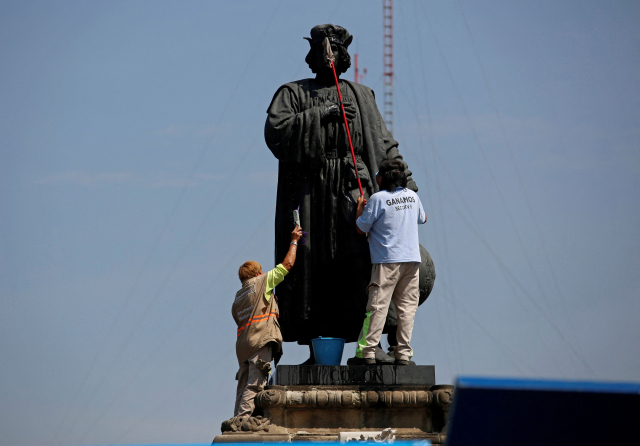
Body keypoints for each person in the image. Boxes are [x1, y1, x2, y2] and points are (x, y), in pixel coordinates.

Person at [265, 24, 418, 362]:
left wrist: (402, 185)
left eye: (333, 50)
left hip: (353, 192)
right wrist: (323, 114)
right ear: (312, 55)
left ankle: (371, 343)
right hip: (310, 194)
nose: (327, 56)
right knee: (312, 266)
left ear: (343, 56)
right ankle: (317, 348)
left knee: (361, 263)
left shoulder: (361, 95)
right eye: (321, 50)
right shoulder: (291, 93)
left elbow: (381, 141)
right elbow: (277, 132)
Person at [350, 159, 427, 365]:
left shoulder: (377, 199)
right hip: (411, 260)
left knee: (377, 306)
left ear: (382, 178)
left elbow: (361, 228)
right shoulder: (412, 196)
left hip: (387, 261)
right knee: (407, 308)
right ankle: (403, 353)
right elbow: (423, 218)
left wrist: (360, 209)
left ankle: (367, 353)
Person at [231, 225, 303, 418]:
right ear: (257, 273)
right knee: (255, 384)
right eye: (261, 270)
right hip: (260, 340)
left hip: (243, 346)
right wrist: (294, 240)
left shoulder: (238, 297)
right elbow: (286, 265)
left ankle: (237, 419)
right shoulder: (261, 282)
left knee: (244, 385)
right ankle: (243, 420)